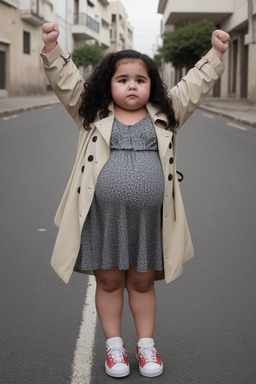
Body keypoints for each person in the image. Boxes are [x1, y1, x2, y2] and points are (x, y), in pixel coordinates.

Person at [41, 23, 229, 378]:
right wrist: (52, 49)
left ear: (151, 85)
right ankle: (114, 348)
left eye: (140, 80)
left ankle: (145, 346)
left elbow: (193, 85)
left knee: (141, 283)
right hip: (102, 218)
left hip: (149, 221)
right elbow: (65, 82)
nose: (131, 85)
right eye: (122, 79)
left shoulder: (166, 114)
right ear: (107, 85)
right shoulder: (92, 114)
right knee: (110, 282)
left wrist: (215, 55)